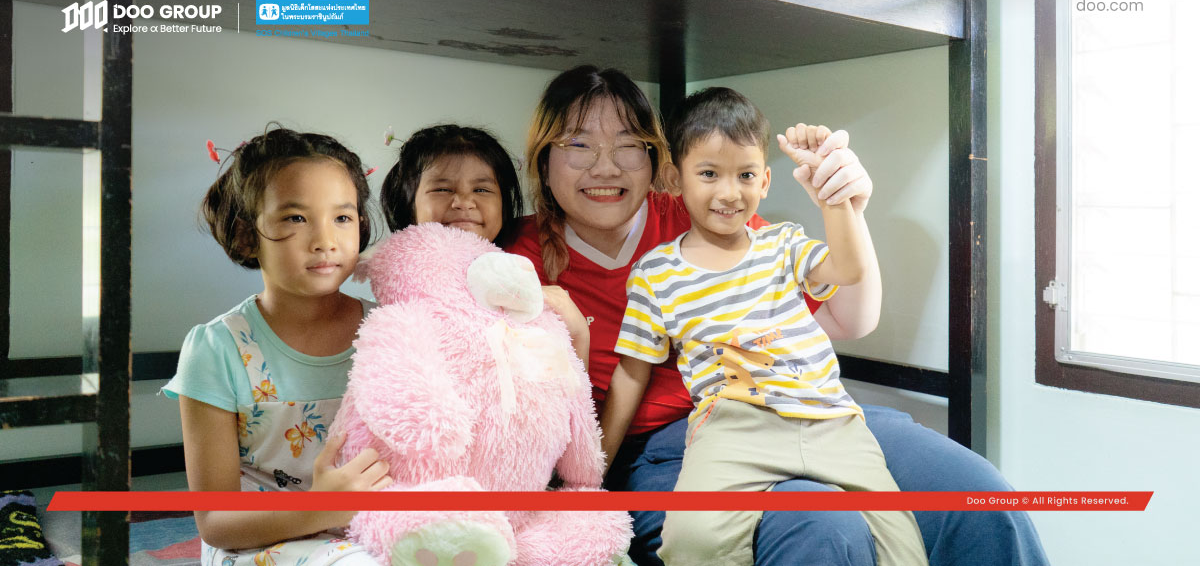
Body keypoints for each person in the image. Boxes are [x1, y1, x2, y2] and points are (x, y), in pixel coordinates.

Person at [505, 65, 1050, 566]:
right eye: (578, 144)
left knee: (977, 496)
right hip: (670, 447)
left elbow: (850, 319)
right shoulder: (512, 259)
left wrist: (846, 209)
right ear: (543, 160)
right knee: (819, 524)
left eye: (628, 145)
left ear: (658, 165)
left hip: (811, 407)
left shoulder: (704, 210)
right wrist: (583, 483)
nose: (605, 166)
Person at [608, 87, 926, 566]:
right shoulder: (655, 274)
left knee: (901, 547)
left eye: (746, 175)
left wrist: (832, 197)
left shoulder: (784, 244)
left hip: (830, 421)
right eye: (709, 174)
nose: (729, 192)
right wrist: (594, 470)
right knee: (691, 539)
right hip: (732, 427)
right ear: (674, 179)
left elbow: (848, 269)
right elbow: (632, 371)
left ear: (766, 181)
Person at [163, 127, 391, 566]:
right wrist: (319, 509)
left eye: (342, 218)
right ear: (246, 235)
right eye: (296, 218)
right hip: (260, 543)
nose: (325, 240)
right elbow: (215, 522)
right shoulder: (218, 349)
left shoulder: (389, 330)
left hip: (371, 530)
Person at [379, 123, 591, 368]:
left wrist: (579, 334)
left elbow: (563, 383)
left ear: (504, 204)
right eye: (442, 189)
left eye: (481, 189)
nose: (464, 202)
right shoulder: (401, 282)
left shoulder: (518, 275)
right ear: (407, 202)